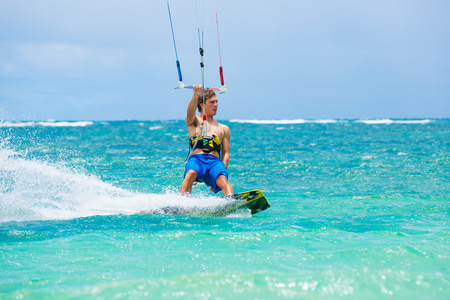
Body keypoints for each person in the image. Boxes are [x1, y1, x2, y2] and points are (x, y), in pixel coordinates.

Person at [180, 84, 234, 196]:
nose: (216, 105)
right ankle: (182, 203)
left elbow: (226, 154)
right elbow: (189, 113)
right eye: (212, 102)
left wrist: (221, 173)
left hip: (214, 162)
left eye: (216, 102)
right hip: (197, 159)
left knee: (223, 180)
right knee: (191, 173)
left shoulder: (223, 128)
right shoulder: (193, 121)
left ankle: (230, 201)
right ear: (201, 105)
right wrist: (195, 94)